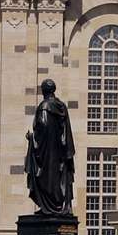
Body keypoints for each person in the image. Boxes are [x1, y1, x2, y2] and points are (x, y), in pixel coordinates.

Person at [23, 77, 77, 216]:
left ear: (43, 91)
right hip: (60, 154)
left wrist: (32, 138)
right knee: (59, 180)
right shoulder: (61, 106)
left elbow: (43, 127)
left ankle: (49, 206)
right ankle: (57, 206)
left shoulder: (44, 107)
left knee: (45, 179)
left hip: (48, 155)